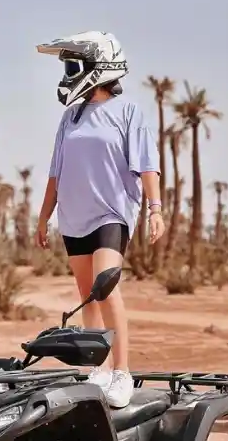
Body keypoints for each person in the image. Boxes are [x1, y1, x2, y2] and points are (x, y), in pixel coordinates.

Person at [34, 31, 165, 408]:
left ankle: (123, 371)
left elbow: (147, 167)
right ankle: (100, 368)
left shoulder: (129, 112)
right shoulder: (70, 117)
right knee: (87, 296)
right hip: (74, 215)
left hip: (112, 212)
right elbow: (55, 174)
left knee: (105, 288)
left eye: (74, 65)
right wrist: (44, 217)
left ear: (98, 67)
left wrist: (155, 210)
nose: (68, 73)